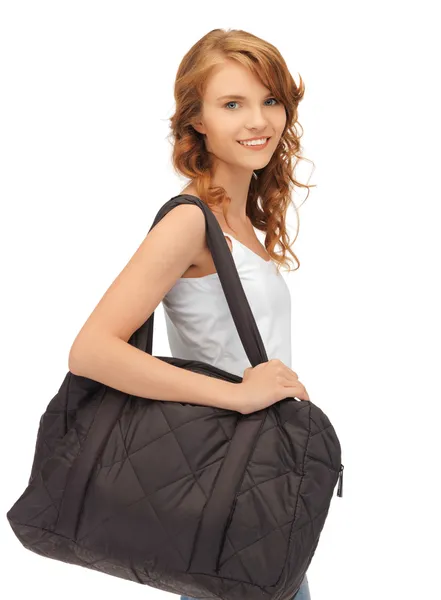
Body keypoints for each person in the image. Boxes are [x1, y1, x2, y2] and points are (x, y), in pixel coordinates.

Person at [68, 27, 312, 600]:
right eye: (233, 104)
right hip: (223, 478)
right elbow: (91, 350)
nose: (258, 121)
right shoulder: (190, 221)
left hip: (251, 485)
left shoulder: (240, 222)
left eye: (270, 100)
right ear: (197, 119)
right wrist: (239, 394)